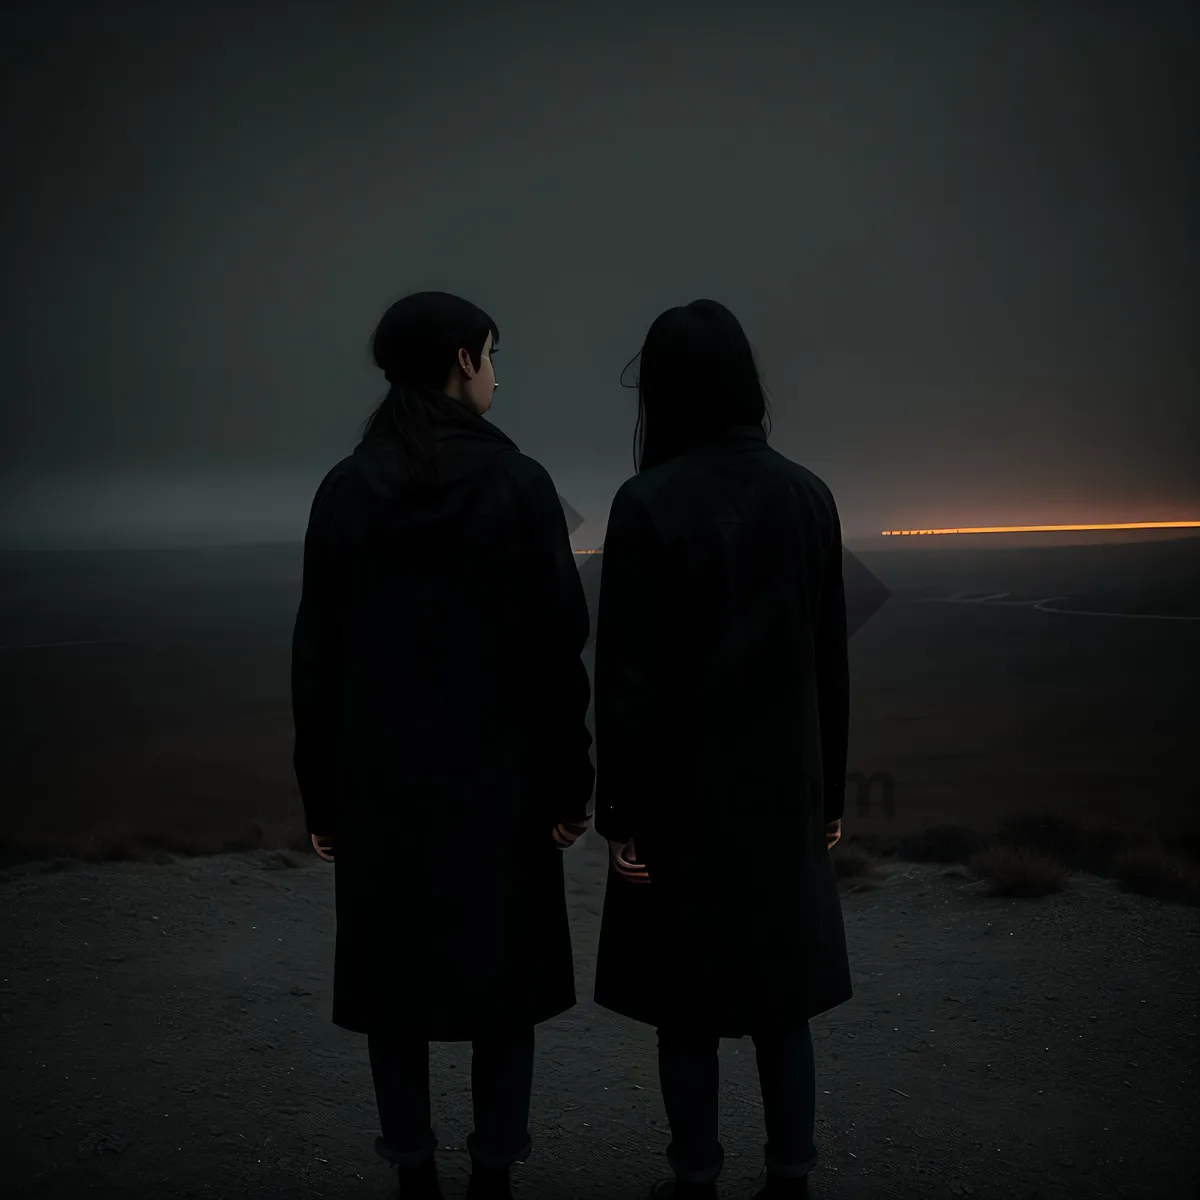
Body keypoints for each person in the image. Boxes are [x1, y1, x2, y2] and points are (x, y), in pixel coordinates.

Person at [292, 291, 594, 1200]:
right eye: (494, 355)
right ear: (464, 360)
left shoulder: (346, 488)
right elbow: (556, 655)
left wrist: (323, 799)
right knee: (503, 991)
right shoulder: (519, 484)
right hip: (501, 790)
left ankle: (412, 1176)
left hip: (381, 789)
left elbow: (318, 661)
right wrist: (569, 788)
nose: (497, 373)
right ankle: (494, 1176)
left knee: (397, 992)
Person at [592, 299, 852, 1199]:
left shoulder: (646, 504)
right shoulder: (808, 495)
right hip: (784, 794)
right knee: (783, 1004)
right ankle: (791, 1177)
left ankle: (695, 1174)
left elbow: (624, 682)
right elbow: (830, 669)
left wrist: (621, 815)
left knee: (686, 1007)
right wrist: (831, 801)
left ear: (661, 392)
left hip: (679, 803)